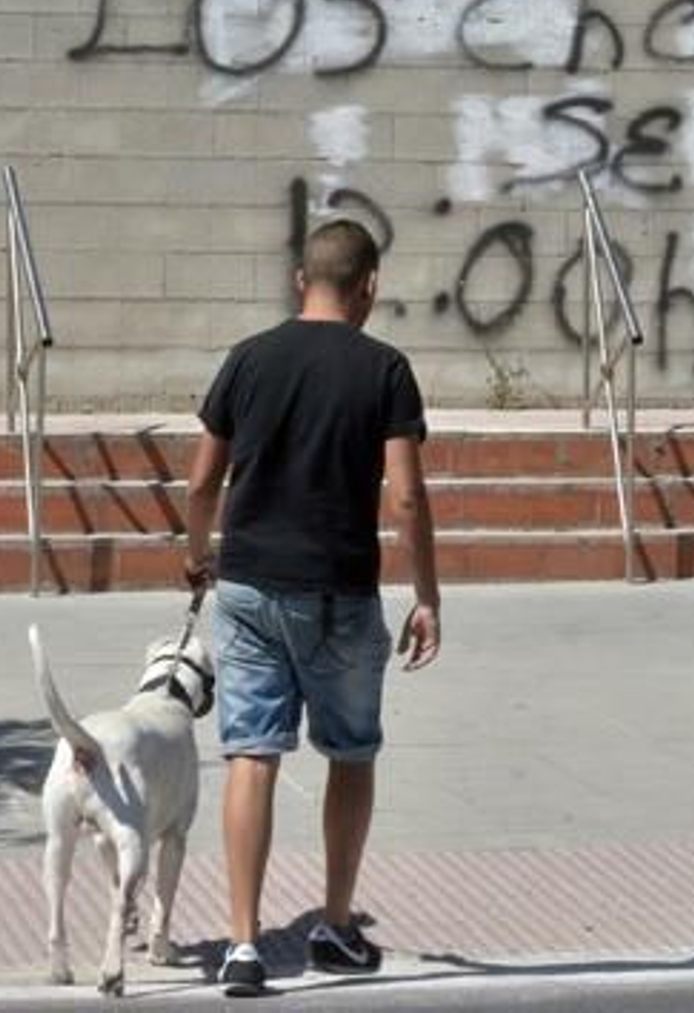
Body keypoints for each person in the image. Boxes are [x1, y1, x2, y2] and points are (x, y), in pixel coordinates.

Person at [184, 217, 441, 998]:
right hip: (339, 589)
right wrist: (427, 593)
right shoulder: (386, 368)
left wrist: (198, 553)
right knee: (350, 751)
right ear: (370, 287)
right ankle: (334, 923)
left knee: (251, 753)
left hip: (250, 585)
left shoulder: (248, 359)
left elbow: (200, 483)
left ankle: (241, 943)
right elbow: (405, 495)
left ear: (301, 281)